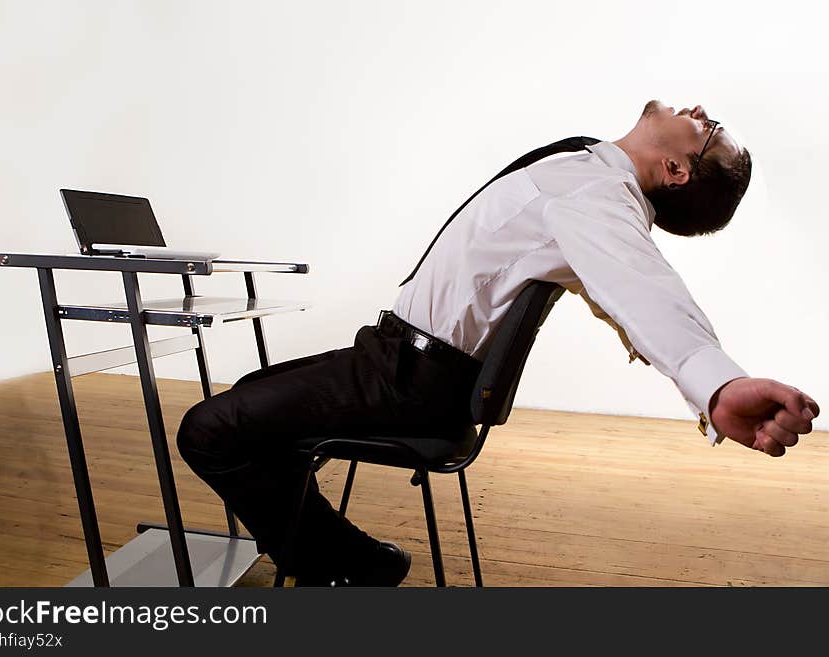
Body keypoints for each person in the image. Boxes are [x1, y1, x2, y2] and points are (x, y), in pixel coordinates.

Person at [176, 100, 821, 586]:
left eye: (710, 131)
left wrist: (717, 384)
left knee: (206, 430)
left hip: (410, 381)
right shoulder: (594, 172)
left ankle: (334, 560)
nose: (702, 112)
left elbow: (644, 290)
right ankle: (344, 555)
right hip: (392, 358)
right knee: (253, 403)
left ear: (677, 169)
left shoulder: (599, 197)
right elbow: (620, 297)